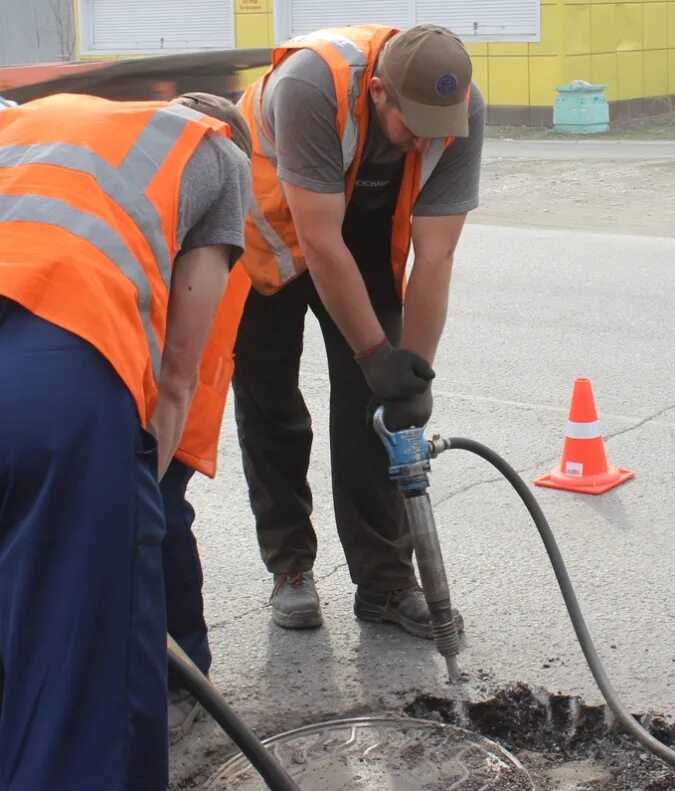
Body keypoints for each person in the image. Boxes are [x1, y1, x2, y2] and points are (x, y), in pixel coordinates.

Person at [0, 91, 252, 789]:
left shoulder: (42, 123)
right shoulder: (222, 157)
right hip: (49, 384)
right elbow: (176, 379)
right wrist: (135, 505)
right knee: (84, 695)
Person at [228, 22, 485, 633]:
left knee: (376, 405)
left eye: (436, 130)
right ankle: (290, 566)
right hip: (266, 226)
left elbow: (437, 254)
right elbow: (317, 241)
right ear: (377, 92)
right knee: (271, 402)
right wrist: (372, 349)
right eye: (411, 128)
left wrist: (409, 375)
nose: (423, 143)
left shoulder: (461, 107)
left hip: (358, 228)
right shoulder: (310, 86)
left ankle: (386, 585)